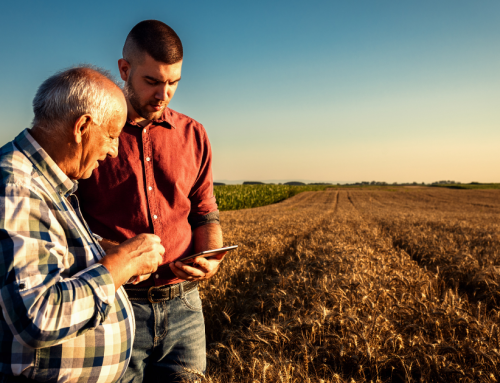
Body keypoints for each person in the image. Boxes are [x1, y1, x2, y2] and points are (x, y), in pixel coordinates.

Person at [77, 20, 224, 382]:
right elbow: (66, 219)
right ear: (124, 70)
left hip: (186, 308)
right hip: (117, 306)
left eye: (174, 82)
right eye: (153, 82)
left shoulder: (194, 134)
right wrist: (116, 253)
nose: (164, 94)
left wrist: (211, 256)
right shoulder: (93, 135)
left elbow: (205, 211)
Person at [0, 66, 165, 383]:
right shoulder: (17, 188)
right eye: (112, 136)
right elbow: (39, 316)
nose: (114, 150)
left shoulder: (44, 184)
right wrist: (121, 264)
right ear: (82, 126)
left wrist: (102, 249)